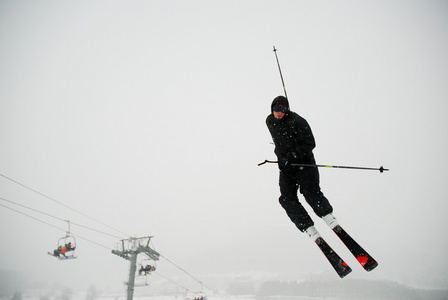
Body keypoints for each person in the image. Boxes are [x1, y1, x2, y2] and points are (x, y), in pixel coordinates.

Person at [266, 95, 339, 242]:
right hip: (287, 168)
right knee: (286, 199)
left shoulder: (298, 121)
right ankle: (309, 228)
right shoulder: (270, 121)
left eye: (282, 109)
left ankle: (330, 220)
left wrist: (293, 156)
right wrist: (282, 158)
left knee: (310, 192)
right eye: (276, 109)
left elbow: (310, 143)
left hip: (304, 164)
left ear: (287, 110)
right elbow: (278, 143)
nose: (279, 112)